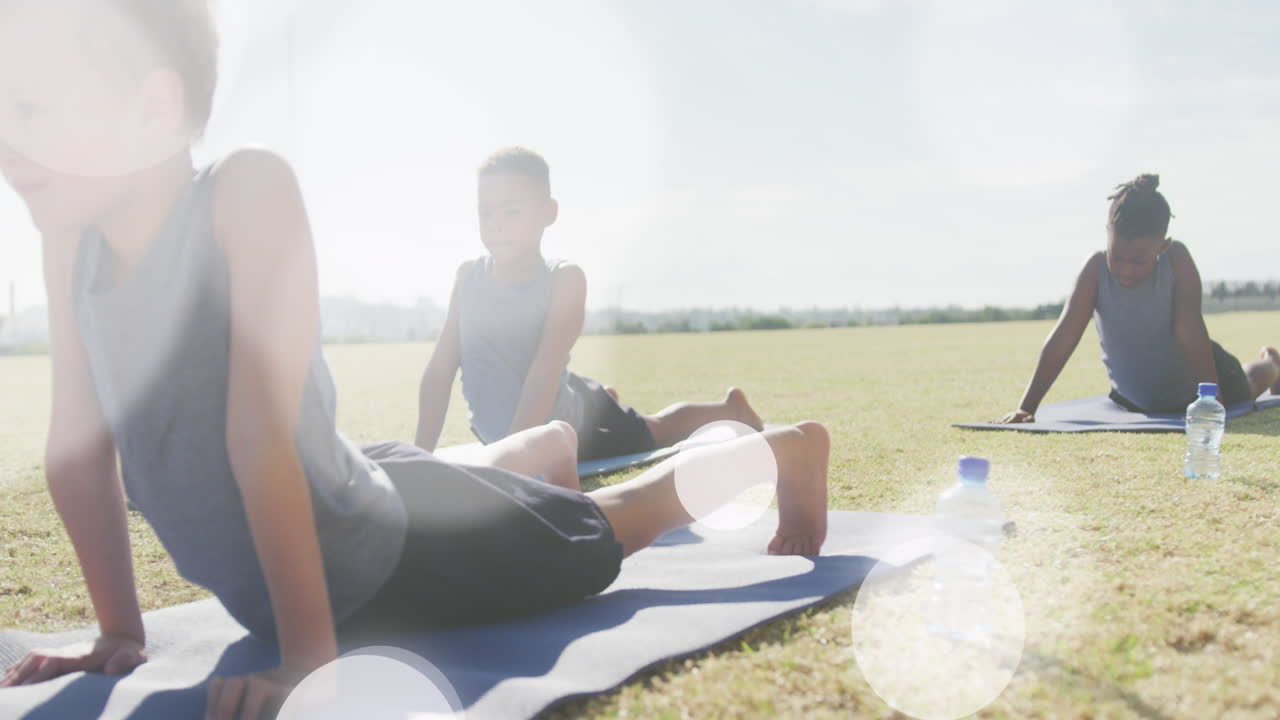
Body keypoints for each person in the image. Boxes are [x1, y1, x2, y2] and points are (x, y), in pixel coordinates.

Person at [0, 2, 831, 718]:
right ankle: (540, 453)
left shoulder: (244, 191)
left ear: (153, 105)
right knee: (447, 480)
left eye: (31, 109)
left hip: (394, 560)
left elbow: (262, 441)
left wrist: (310, 661)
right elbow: (76, 451)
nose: (8, 139)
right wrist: (117, 630)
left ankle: (782, 449)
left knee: (621, 523)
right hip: (360, 487)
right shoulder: (72, 239)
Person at [415, 147, 765, 463]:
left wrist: (514, 458)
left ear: (548, 213)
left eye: (512, 212)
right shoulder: (467, 276)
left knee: (654, 430)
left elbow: (544, 372)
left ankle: (731, 410)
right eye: (486, 212)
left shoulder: (564, 279)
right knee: (587, 398)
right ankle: (599, 397)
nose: (496, 225)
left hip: (577, 429)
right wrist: (419, 455)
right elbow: (440, 368)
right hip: (517, 426)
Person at [995, 174, 1280, 423]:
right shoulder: (1094, 270)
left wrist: (1210, 395)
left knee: (1251, 382)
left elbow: (1190, 329)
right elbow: (1064, 337)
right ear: (1108, 235)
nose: (1126, 270)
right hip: (1136, 399)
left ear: (1163, 246)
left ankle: (1272, 364)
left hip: (1202, 379)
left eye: (1139, 260)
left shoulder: (1177, 259)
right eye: (1117, 257)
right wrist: (1026, 407)